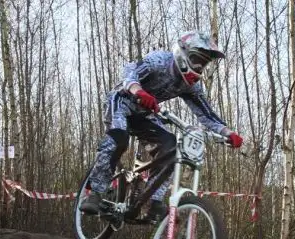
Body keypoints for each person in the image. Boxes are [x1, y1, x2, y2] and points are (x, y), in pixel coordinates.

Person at [80, 30, 243, 223]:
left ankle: (153, 202)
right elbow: (130, 70)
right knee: (119, 139)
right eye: (196, 60)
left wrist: (228, 132)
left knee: (171, 147)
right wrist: (138, 90)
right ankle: (95, 192)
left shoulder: (190, 86)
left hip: (144, 114)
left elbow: (206, 114)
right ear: (182, 53)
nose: (199, 68)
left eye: (203, 64)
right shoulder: (159, 61)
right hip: (121, 102)